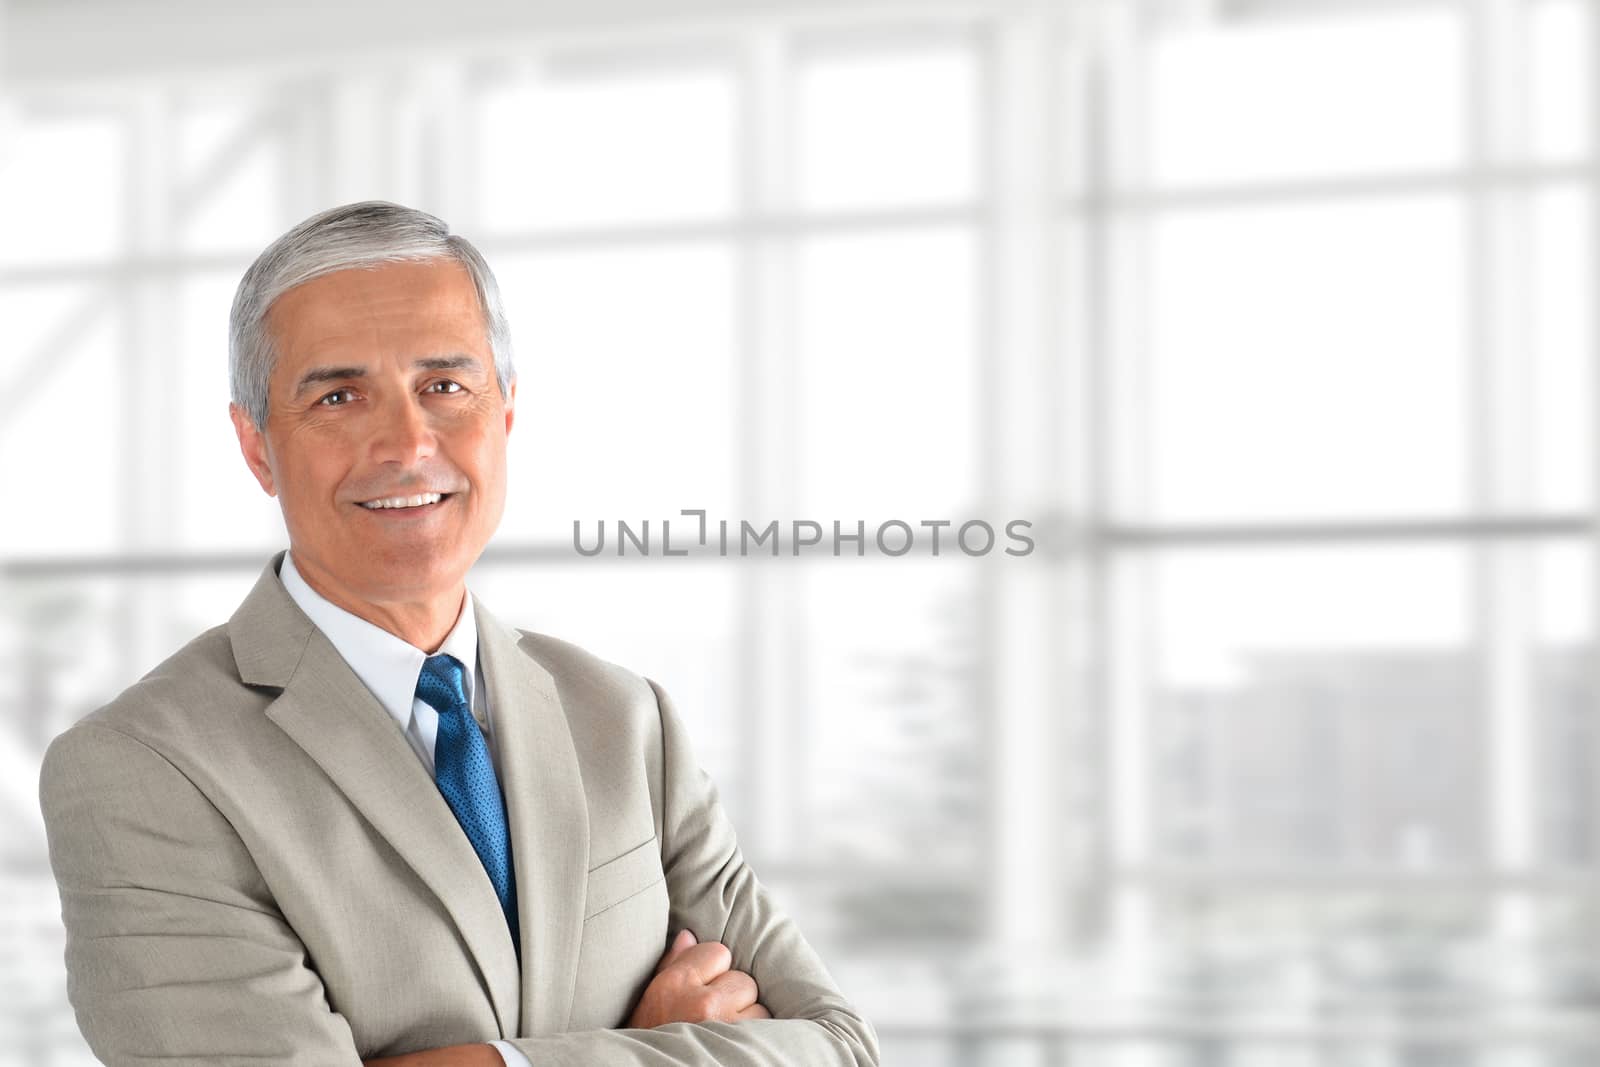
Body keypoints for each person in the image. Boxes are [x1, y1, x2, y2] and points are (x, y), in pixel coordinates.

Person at [37, 201, 879, 1066]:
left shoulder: (627, 722)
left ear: (504, 414)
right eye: (338, 394)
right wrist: (645, 1044)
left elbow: (841, 1046)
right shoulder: (143, 768)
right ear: (257, 446)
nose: (406, 442)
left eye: (444, 386)